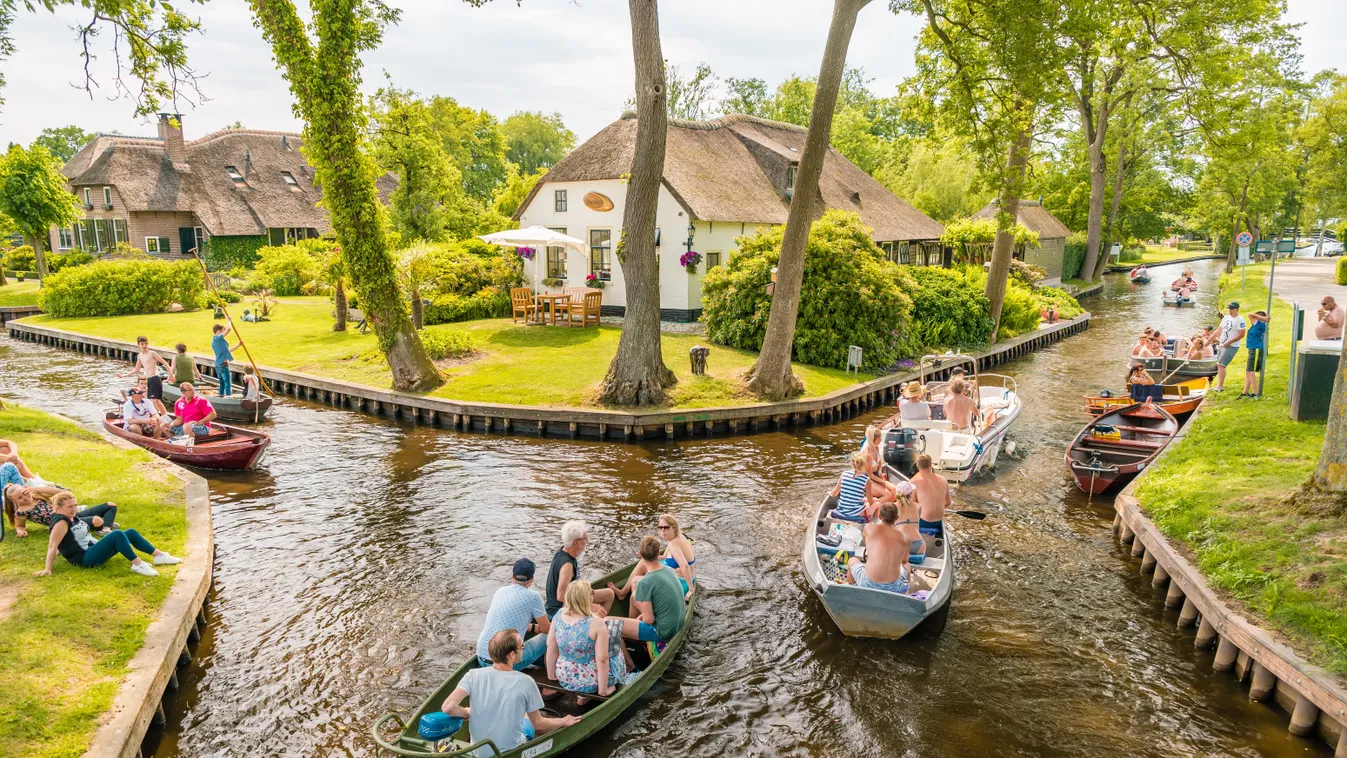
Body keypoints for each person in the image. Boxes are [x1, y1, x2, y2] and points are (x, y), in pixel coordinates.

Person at [441, 629, 579, 758]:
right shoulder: (526, 682)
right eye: (522, 647)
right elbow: (539, 725)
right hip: (511, 751)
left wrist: (468, 712)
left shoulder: (472, 675)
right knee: (527, 717)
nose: (523, 650)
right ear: (511, 655)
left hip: (478, 752)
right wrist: (563, 721)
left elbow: (448, 707)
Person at [34, 492, 178, 577]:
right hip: (85, 558)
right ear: (59, 509)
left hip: (93, 549)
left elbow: (65, 540)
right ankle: (137, 565)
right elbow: (52, 545)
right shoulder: (61, 522)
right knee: (117, 534)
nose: (74, 509)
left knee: (130, 532)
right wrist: (48, 569)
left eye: (75, 505)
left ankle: (159, 556)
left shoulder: (71, 516)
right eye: (70, 506)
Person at [546, 580, 634, 700]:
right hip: (590, 682)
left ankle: (582, 698)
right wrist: (603, 691)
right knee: (616, 650)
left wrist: (551, 675)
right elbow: (602, 659)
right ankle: (589, 694)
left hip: (564, 676)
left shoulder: (559, 615)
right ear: (588, 598)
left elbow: (551, 646)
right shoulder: (596, 623)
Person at [476, 558, 551, 670]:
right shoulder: (534, 597)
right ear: (532, 579)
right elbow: (546, 629)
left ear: (512, 576)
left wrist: (532, 627)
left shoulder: (500, 591)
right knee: (550, 635)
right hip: (506, 664)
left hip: (482, 658)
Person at [617, 536, 687, 645]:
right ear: (658, 553)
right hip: (679, 624)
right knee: (633, 597)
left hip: (662, 632)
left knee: (607, 621)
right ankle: (634, 629)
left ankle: (633, 641)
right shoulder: (669, 569)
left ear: (640, 554)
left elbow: (649, 620)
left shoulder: (645, 582)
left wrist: (643, 617)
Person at [609, 515, 697, 600]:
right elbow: (664, 557)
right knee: (644, 561)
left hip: (681, 582)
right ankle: (623, 593)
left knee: (636, 581)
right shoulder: (677, 537)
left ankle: (641, 608)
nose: (662, 530)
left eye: (666, 527)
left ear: (673, 528)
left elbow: (684, 565)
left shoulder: (673, 543)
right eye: (660, 527)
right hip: (675, 575)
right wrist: (646, 554)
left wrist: (691, 590)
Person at [545, 521, 614, 619]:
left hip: (573, 598)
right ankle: (593, 627)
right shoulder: (567, 565)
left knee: (609, 594)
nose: (587, 541)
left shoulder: (563, 551)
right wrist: (589, 606)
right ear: (576, 542)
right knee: (598, 605)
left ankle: (595, 623)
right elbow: (561, 596)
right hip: (560, 610)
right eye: (585, 538)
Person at [845, 501, 910, 593]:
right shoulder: (905, 538)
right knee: (907, 566)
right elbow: (904, 561)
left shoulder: (868, 528)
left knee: (852, 560)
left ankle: (851, 591)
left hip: (867, 583)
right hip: (893, 588)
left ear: (879, 516)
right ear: (897, 518)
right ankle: (905, 595)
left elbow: (866, 541)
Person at [120, 336, 172, 415]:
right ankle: (163, 416)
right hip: (148, 380)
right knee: (157, 401)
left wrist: (170, 375)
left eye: (146, 343)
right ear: (138, 345)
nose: (144, 345)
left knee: (154, 400)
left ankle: (157, 418)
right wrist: (124, 375)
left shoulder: (152, 353)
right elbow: (136, 369)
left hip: (155, 378)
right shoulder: (140, 356)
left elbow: (165, 363)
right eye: (142, 344)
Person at [910, 453, 950, 537]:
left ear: (917, 466)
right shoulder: (943, 479)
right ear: (931, 465)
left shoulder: (914, 482)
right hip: (939, 521)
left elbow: (912, 506)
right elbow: (948, 502)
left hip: (924, 522)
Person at [828, 452, 873, 522]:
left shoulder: (844, 474)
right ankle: (873, 525)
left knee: (867, 501)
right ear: (865, 465)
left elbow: (834, 493)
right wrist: (874, 502)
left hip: (841, 510)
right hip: (855, 513)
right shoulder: (866, 480)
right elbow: (871, 501)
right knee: (877, 504)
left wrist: (829, 493)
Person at [1215, 301, 1247, 392]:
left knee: (1221, 365)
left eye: (1232, 309)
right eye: (1229, 309)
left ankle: (1220, 386)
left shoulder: (1240, 320)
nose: (1230, 310)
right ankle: (1218, 385)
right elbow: (1219, 330)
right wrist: (1210, 340)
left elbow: (1241, 334)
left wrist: (1229, 342)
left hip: (1232, 345)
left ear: (1237, 309)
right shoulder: (1226, 318)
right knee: (1219, 364)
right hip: (1222, 344)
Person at [1241, 310, 1270, 398]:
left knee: (1251, 371)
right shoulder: (1256, 325)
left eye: (1255, 317)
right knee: (1248, 371)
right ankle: (1245, 392)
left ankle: (1255, 393)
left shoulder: (1259, 324)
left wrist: (1263, 318)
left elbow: (1249, 314)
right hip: (1252, 348)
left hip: (1255, 349)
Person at [211, 322, 242, 397]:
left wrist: (238, 345)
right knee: (227, 383)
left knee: (222, 383)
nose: (223, 334)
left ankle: (221, 394)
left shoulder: (216, 341)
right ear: (218, 331)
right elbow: (229, 329)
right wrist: (229, 320)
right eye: (222, 331)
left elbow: (227, 351)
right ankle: (229, 397)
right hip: (223, 365)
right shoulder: (218, 339)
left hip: (218, 365)